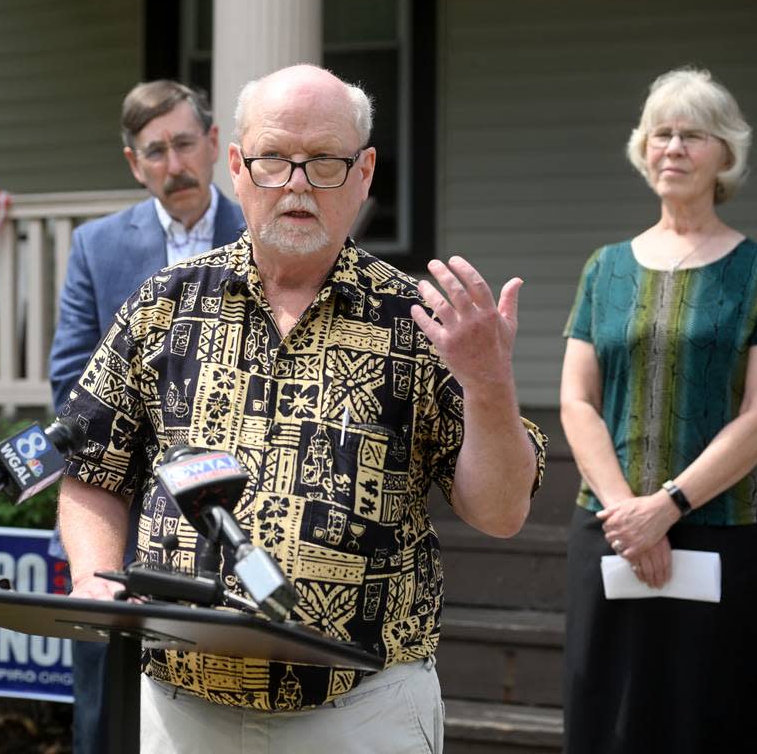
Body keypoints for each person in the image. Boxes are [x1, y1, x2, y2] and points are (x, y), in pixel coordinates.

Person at [56, 63, 546, 753]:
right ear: (236, 165)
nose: (296, 183)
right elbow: (90, 469)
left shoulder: (420, 323)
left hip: (363, 707)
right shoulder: (164, 305)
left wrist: (490, 384)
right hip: (181, 705)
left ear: (365, 171)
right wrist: (93, 580)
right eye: (275, 159)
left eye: (324, 162)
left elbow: (500, 513)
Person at [560, 67, 757, 754]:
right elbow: (576, 400)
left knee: (711, 719)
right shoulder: (603, 268)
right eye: (660, 133)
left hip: (722, 529)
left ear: (725, 153)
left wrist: (665, 506)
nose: (671, 147)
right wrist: (627, 514)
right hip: (609, 529)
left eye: (691, 135)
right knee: (605, 718)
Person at [48, 79, 244, 754]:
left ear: (214, 145)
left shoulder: (263, 231)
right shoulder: (97, 249)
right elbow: (71, 384)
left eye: (185, 143)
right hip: (126, 516)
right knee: (108, 720)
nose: (174, 164)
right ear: (135, 162)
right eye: (155, 151)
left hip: (245, 512)